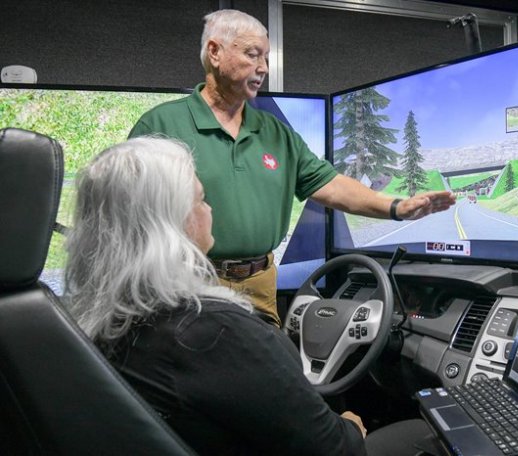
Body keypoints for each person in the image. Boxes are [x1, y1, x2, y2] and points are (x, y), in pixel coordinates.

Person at [128, 9, 456, 327]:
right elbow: (128, 217)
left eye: (266, 58)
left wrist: (397, 207)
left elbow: (330, 185)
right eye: (253, 55)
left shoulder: (276, 132)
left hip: (259, 285)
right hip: (187, 283)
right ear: (214, 52)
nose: (263, 68)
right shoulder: (160, 125)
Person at [64, 137, 374, 455]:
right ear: (171, 226)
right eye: (201, 199)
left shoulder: (98, 320)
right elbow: (333, 449)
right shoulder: (214, 332)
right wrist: (351, 427)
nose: (210, 209)